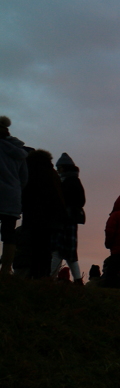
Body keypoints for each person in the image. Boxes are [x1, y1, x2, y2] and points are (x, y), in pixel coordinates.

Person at [22, 149, 66, 278]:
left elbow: (27, 192)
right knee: (46, 247)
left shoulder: (32, 170)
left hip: (36, 215)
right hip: (54, 217)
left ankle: (35, 274)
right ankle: (43, 275)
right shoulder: (52, 173)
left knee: (34, 246)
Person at [0, 116, 29, 276]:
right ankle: (5, 269)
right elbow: (24, 178)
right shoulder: (19, 152)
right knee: (9, 233)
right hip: (12, 196)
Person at [52, 153, 86, 283]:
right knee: (70, 254)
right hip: (70, 221)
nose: (57, 170)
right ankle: (77, 280)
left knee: (58, 251)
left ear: (63, 168)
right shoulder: (74, 181)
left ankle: (50, 278)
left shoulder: (67, 182)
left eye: (59, 167)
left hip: (64, 220)